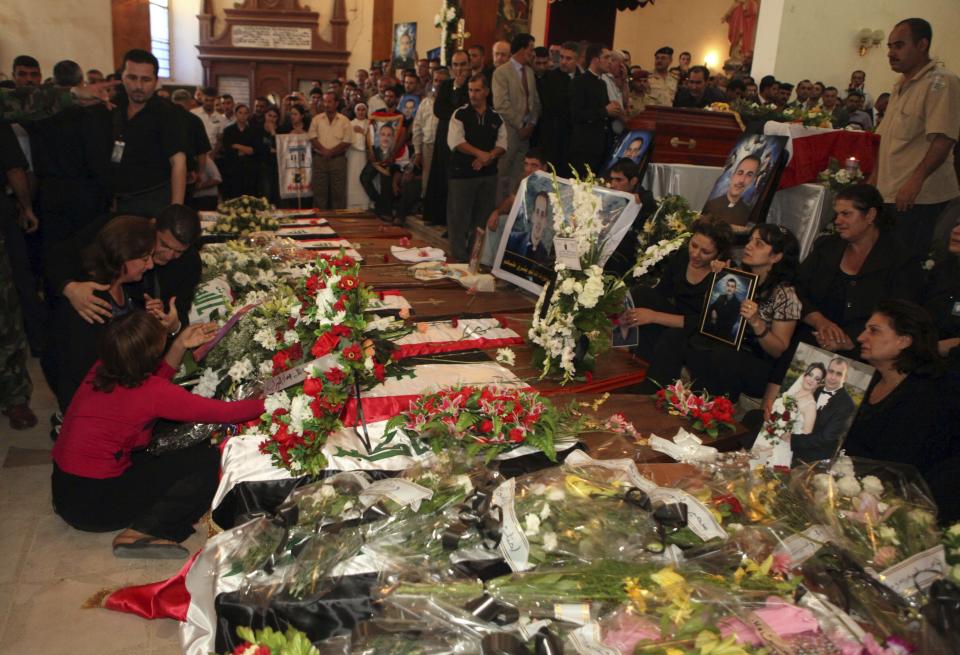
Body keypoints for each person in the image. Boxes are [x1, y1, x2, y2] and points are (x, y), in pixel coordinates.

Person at [51, 311, 265, 558]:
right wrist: (272, 399)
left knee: (169, 439)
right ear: (152, 352)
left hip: (66, 492)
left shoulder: (103, 368)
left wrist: (178, 345)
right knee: (207, 459)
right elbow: (226, 413)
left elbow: (148, 391)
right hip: (96, 505)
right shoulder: (151, 393)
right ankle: (145, 531)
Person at [843, 299, 960, 518]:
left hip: (896, 506)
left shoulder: (927, 395)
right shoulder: (868, 379)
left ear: (904, 341)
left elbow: (900, 466)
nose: (861, 337)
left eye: (874, 331)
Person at [795, 184, 923, 360]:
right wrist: (819, 321)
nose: (837, 221)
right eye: (837, 214)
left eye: (846, 214)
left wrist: (850, 342)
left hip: (867, 353)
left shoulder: (901, 260)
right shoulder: (827, 247)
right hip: (812, 338)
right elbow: (795, 289)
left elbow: (900, 317)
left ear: (870, 215)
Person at [870, 18, 960, 260]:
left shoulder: (941, 83)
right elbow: (887, 141)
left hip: (920, 198)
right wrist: (874, 182)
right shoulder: (900, 85)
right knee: (888, 261)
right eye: (889, 46)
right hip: (891, 193)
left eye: (899, 45)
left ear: (922, 44)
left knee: (908, 266)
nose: (890, 53)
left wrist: (915, 182)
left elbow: (943, 138)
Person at [52, 215, 156, 412]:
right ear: (122, 255)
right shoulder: (91, 301)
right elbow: (84, 373)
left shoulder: (130, 288)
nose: (151, 265)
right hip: (94, 402)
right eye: (144, 258)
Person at [687, 224, 802, 401]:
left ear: (776, 256)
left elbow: (778, 350)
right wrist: (719, 279)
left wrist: (757, 323)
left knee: (722, 355)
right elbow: (711, 317)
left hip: (758, 363)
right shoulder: (740, 276)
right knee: (687, 340)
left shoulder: (785, 295)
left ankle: (713, 414)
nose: (748, 246)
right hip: (729, 348)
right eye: (750, 241)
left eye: (759, 244)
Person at [622, 218, 734, 390]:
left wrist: (654, 316)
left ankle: (653, 386)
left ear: (719, 254)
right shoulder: (683, 256)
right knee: (640, 294)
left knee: (672, 336)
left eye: (705, 252)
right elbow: (661, 292)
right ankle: (631, 365)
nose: (695, 254)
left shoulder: (725, 275)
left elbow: (703, 322)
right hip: (676, 316)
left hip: (699, 330)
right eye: (694, 245)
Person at [103, 49, 187, 216]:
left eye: (146, 80)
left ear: (156, 81)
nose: (138, 86)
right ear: (122, 77)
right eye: (132, 78)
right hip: (114, 200)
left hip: (152, 201)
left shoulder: (167, 114)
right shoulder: (112, 107)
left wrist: (175, 210)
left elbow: (179, 163)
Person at [446, 74, 506, 262]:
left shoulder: (496, 117)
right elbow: (456, 142)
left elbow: (503, 144)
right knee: (459, 219)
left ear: (486, 92)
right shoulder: (460, 114)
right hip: (462, 175)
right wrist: (480, 154)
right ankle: (458, 257)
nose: (473, 94)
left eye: (477, 90)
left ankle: (474, 259)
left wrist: (489, 157)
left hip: (488, 175)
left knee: (481, 219)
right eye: (470, 90)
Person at [493, 33, 541, 203]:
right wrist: (520, 124)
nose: (533, 53)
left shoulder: (528, 71)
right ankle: (497, 212)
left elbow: (535, 101)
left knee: (519, 175)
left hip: (525, 133)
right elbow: (501, 104)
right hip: (509, 131)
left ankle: (512, 212)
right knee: (502, 174)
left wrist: (532, 124)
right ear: (521, 49)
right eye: (531, 49)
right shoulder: (502, 72)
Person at [423, 50, 470, 226]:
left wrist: (453, 111)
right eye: (456, 65)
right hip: (444, 137)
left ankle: (454, 222)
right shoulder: (446, 85)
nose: (459, 69)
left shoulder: (472, 85)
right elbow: (438, 110)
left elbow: (465, 111)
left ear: (469, 65)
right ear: (451, 67)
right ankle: (438, 217)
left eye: (463, 64)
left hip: (463, 140)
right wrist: (455, 111)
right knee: (440, 176)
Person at [569, 43, 621, 177]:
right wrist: (605, 111)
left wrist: (614, 110)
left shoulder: (602, 84)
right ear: (595, 59)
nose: (610, 61)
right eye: (607, 57)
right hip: (584, 148)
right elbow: (576, 115)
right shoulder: (579, 82)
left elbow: (604, 112)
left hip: (601, 146)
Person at [791, 357, 857, 463]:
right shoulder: (814, 389)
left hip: (814, 459)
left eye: (839, 374)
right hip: (793, 449)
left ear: (845, 378)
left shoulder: (847, 404)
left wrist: (792, 439)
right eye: (831, 371)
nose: (833, 377)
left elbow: (826, 438)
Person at [603, 158, 657, 277]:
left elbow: (650, 204)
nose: (613, 184)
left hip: (628, 254)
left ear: (633, 181)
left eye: (619, 180)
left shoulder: (644, 198)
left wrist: (640, 202)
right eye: (612, 179)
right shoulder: (609, 195)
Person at [538, 41, 580, 177]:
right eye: (561, 57)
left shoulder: (582, 79)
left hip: (575, 139)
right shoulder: (550, 78)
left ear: (577, 60)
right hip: (555, 137)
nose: (563, 62)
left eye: (568, 58)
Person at [307, 91, 351, 210]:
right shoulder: (316, 119)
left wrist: (331, 152)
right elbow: (312, 137)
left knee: (338, 194)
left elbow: (347, 141)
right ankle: (319, 223)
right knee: (319, 194)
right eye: (325, 101)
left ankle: (338, 224)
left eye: (329, 101)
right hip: (320, 160)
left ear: (336, 103)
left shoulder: (344, 120)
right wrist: (324, 151)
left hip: (338, 161)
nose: (326, 104)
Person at [411, 69, 446, 201]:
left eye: (442, 81)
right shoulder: (425, 102)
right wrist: (418, 151)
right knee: (427, 180)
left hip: (444, 146)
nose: (438, 84)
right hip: (428, 145)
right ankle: (426, 207)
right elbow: (417, 127)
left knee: (442, 180)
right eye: (436, 80)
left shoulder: (451, 102)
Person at [220, 104, 265, 199]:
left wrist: (237, 145)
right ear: (236, 114)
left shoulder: (255, 130)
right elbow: (228, 149)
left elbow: (253, 150)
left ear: (248, 115)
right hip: (233, 170)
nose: (243, 115)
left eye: (245, 113)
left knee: (250, 197)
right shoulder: (228, 131)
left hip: (250, 169)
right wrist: (245, 149)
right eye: (240, 113)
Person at [702, 154, 760, 227]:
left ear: (753, 180)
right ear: (732, 175)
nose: (742, 180)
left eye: (749, 175)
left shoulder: (747, 212)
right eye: (740, 173)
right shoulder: (711, 205)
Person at [190, 86, 226, 158]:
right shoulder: (193, 114)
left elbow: (220, 139)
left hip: (211, 154)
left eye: (211, 100)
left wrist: (213, 155)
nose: (209, 103)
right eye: (206, 100)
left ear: (215, 100)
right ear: (202, 98)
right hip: (195, 154)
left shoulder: (221, 118)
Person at [347, 103, 370, 208]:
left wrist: (362, 131)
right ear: (355, 111)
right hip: (353, 155)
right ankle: (352, 204)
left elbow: (373, 138)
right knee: (353, 178)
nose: (361, 112)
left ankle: (365, 204)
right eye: (359, 110)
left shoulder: (369, 123)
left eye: (363, 110)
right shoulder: (350, 123)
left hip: (366, 155)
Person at [706, 277, 744, 341]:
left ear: (735, 289)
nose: (729, 288)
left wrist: (714, 319)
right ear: (726, 287)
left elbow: (730, 323)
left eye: (732, 286)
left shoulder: (737, 304)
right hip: (711, 329)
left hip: (724, 335)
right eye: (728, 285)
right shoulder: (721, 297)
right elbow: (711, 307)